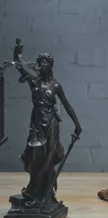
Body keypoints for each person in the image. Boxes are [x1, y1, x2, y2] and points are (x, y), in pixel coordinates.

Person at [12, 38, 82, 206]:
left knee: (49, 160)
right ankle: (33, 191)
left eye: (45, 63)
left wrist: (77, 125)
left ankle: (46, 195)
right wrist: (17, 51)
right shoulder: (33, 82)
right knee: (36, 160)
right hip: (37, 126)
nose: (42, 65)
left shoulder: (55, 86)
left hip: (51, 125)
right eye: (40, 63)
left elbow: (67, 106)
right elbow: (19, 65)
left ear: (50, 65)